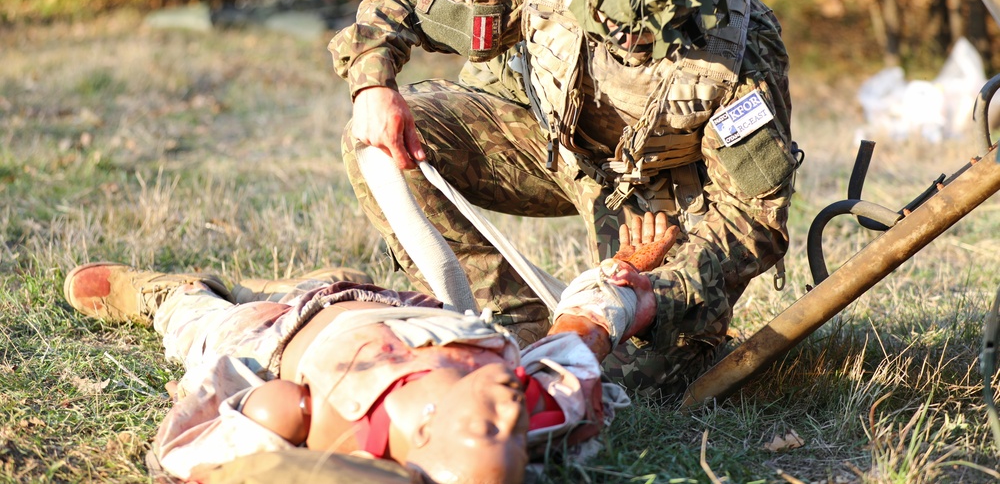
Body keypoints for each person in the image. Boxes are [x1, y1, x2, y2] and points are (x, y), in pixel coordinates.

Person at [330, 0, 797, 394]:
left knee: (631, 377)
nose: (627, 36)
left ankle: (603, 327)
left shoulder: (741, 48)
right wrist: (373, 84)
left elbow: (752, 222)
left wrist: (653, 293)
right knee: (384, 148)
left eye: (647, 23)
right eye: (612, 15)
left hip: (657, 189)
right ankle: (510, 321)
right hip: (542, 138)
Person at [62, 215, 674, 484]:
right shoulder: (540, 407)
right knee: (336, 283)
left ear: (428, 427)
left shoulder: (327, 424)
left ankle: (175, 295)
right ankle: (311, 282)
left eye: (494, 430)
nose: (514, 414)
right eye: (514, 439)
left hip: (275, 337)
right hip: (399, 304)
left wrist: (241, 406)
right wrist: (622, 277)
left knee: (203, 329)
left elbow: (208, 440)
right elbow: (579, 336)